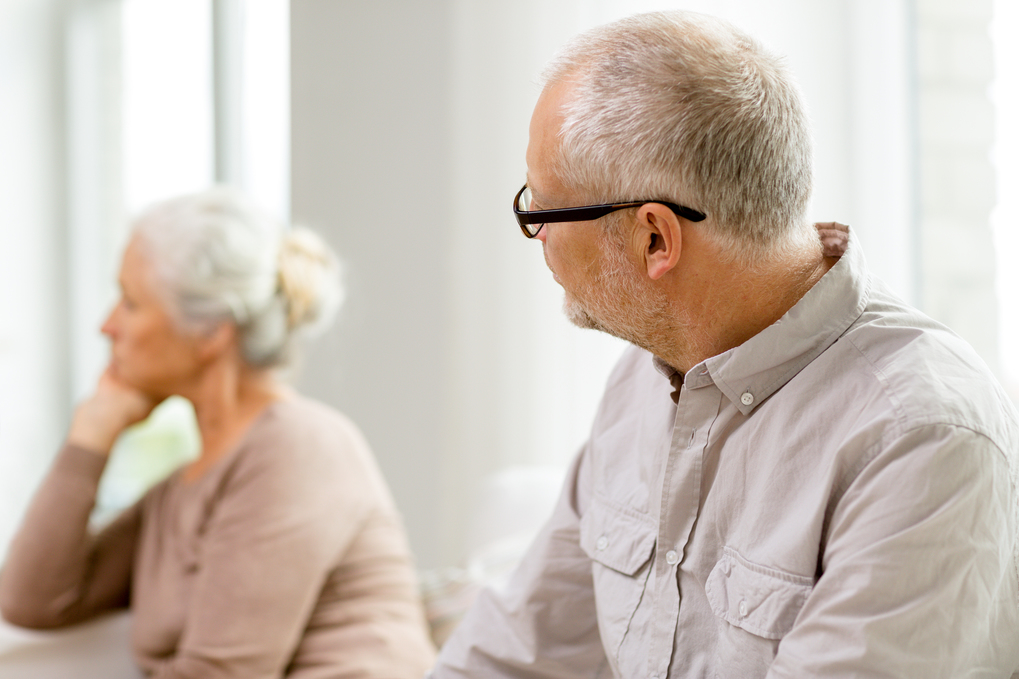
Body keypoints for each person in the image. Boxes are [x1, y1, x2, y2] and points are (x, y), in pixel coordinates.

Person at [429, 10, 1019, 679]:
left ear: (655, 238)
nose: (536, 236)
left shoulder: (923, 436)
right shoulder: (643, 377)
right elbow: (518, 652)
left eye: (540, 209)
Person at [0, 188, 436, 678]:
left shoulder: (298, 446)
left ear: (210, 331)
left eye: (130, 302)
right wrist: (90, 440)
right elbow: (32, 600)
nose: (107, 326)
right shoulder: (184, 485)